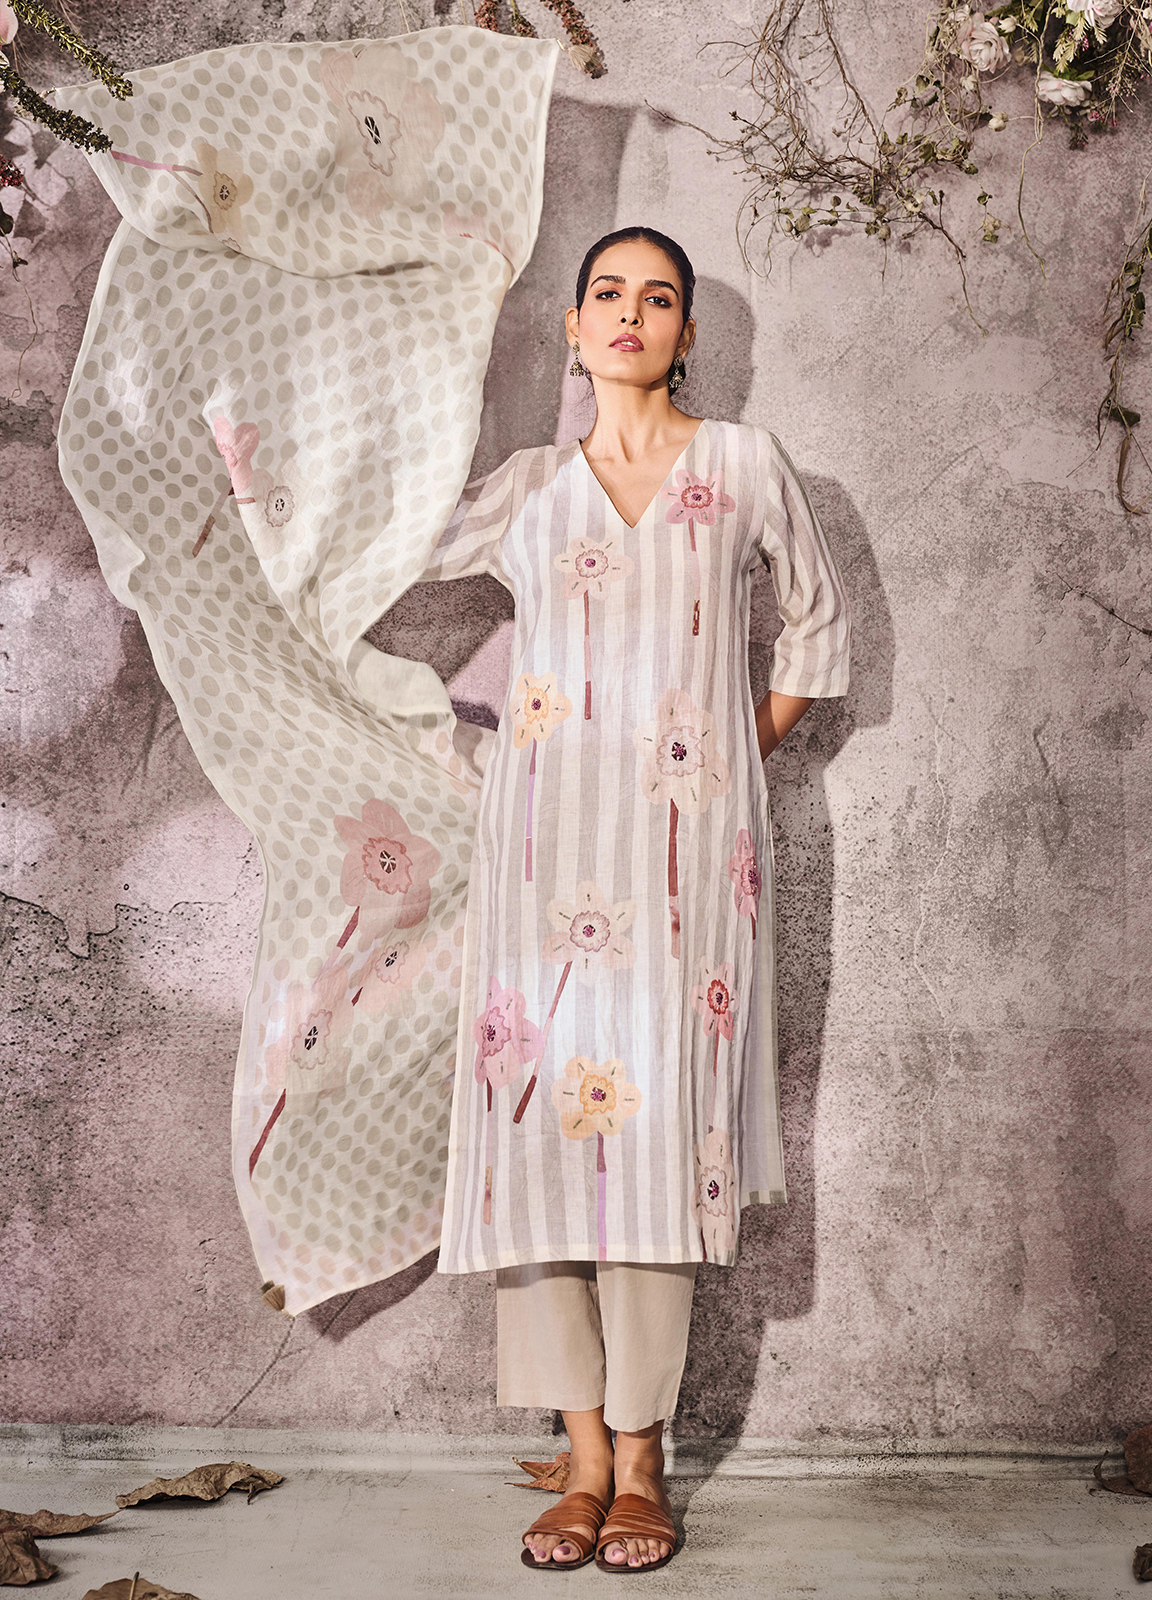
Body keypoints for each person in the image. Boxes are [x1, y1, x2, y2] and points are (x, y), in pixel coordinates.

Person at [420, 225, 851, 1571]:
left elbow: (819, 627)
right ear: (571, 326)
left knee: (658, 1136)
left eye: (657, 299)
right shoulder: (528, 489)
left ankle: (645, 1456)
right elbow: (379, 542)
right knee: (540, 1132)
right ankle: (583, 1453)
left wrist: (720, 761)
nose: (630, 314)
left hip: (685, 865)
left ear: (686, 336)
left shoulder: (744, 465)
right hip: (538, 852)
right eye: (607, 293)